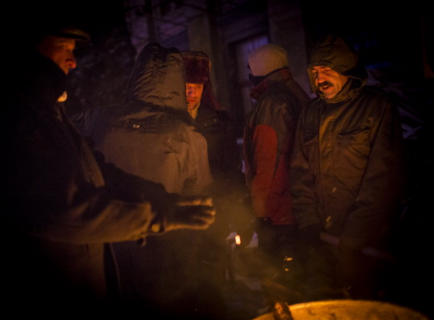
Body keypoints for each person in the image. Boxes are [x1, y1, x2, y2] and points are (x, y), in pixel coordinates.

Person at [0, 26, 215, 316]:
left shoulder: (49, 111)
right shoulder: (3, 111)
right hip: (39, 290)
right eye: (64, 48)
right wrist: (158, 215)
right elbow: (60, 207)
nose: (73, 61)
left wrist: (158, 198)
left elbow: (95, 167)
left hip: (81, 280)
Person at [74, 43, 217, 319]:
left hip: (106, 247)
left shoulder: (98, 119)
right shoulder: (189, 136)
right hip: (162, 251)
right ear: (178, 82)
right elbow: (200, 195)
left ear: (137, 76)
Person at [289, 35, 407, 301]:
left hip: (366, 243)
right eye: (315, 73)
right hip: (322, 239)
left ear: (345, 71)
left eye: (327, 71)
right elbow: (299, 173)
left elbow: (383, 178)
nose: (320, 79)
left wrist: (355, 237)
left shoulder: (376, 108)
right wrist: (309, 224)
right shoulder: (310, 113)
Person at [181, 50, 255, 318]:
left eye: (197, 87)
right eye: (186, 87)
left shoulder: (218, 121)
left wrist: (240, 214)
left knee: (212, 278)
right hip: (178, 216)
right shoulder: (166, 121)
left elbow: (233, 171)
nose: (191, 92)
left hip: (213, 212)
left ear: (204, 88)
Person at [242, 43, 310, 304]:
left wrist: (260, 211)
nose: (248, 75)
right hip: (302, 206)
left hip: (279, 212)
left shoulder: (272, 103)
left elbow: (269, 163)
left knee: (278, 283)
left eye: (250, 70)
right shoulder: (296, 93)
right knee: (299, 279)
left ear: (260, 71)